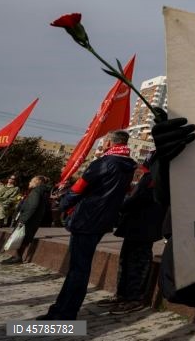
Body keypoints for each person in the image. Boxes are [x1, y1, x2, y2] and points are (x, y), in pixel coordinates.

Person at [37, 130, 137, 320]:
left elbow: (78, 188)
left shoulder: (103, 163)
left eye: (105, 141)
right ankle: (66, 309)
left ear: (109, 143)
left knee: (78, 268)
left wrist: (62, 203)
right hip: (103, 221)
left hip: (87, 219)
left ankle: (64, 312)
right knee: (81, 267)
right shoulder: (128, 166)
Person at [102, 160, 166, 315]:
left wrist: (123, 204)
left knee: (138, 263)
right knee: (126, 261)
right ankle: (122, 295)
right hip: (134, 225)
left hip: (144, 227)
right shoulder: (149, 175)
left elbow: (144, 197)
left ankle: (135, 298)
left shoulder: (158, 174)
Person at [1, 175, 51, 265]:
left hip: (28, 220)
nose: (29, 182)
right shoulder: (42, 191)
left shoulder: (36, 191)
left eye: (31, 181)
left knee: (21, 237)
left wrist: (23, 220)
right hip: (33, 220)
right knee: (23, 238)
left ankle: (17, 257)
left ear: (36, 182)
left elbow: (32, 206)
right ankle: (17, 256)